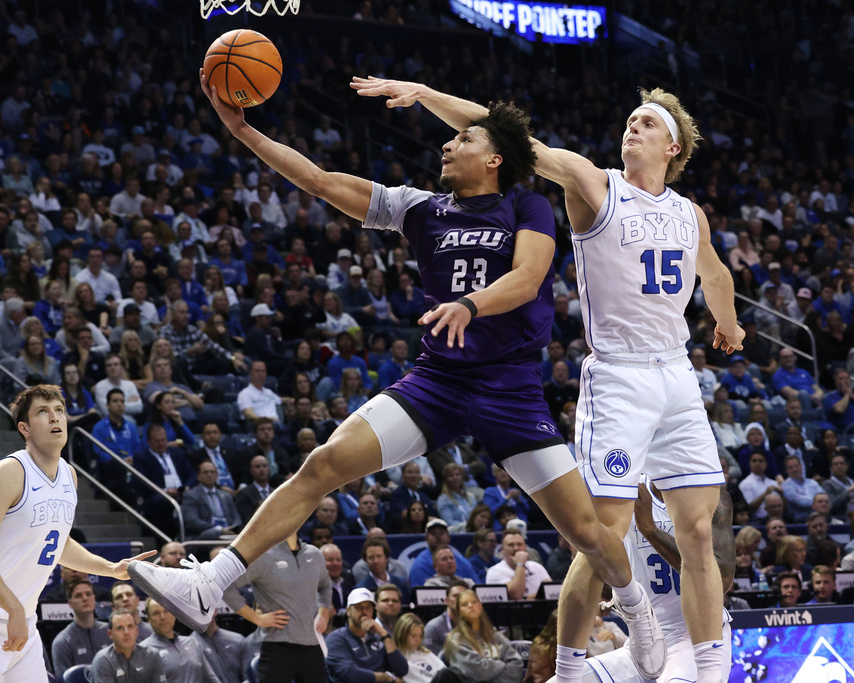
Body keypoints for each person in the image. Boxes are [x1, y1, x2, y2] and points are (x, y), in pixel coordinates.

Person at [133, 70, 662, 683]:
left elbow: (527, 277)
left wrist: (469, 305)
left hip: (509, 390)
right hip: (436, 383)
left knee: (590, 534)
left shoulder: (528, 203)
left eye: (461, 140)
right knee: (321, 464)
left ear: (493, 157)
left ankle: (636, 611)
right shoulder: (421, 209)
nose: (446, 145)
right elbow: (318, 180)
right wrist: (241, 127)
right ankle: (211, 581)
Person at [353, 76, 739, 683]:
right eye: (629, 121)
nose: (630, 128)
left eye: (645, 124)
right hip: (618, 377)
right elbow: (509, 136)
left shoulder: (689, 214)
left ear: (672, 148)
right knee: (601, 534)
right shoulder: (595, 184)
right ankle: (566, 670)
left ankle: (714, 670)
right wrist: (429, 96)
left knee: (696, 530)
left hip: (677, 374)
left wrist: (730, 325)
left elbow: (714, 275)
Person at [0, 385, 154, 682]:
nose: (54, 418)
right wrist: (13, 606)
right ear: (24, 428)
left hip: (23, 620)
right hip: (11, 610)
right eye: (42, 412)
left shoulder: (70, 476)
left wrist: (109, 568)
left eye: (59, 410)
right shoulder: (11, 470)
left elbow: (60, 542)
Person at [581, 478, 735, 683]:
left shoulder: (710, 494)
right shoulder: (623, 492)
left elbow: (723, 578)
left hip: (697, 637)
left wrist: (651, 530)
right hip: (644, 640)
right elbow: (608, 587)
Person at [220, 530, 332, 682]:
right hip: (278, 647)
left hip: (313, 645)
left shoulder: (314, 554)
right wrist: (256, 618)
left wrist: (324, 610)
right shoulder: (262, 556)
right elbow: (226, 586)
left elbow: (325, 584)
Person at [324, 587, 409, 683]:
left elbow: (402, 669)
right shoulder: (336, 638)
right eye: (359, 607)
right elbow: (351, 674)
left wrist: (384, 634)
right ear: (348, 611)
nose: (364, 612)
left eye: (368, 608)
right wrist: (387, 677)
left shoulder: (378, 636)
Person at [444, 588, 524, 683]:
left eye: (474, 602)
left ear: (480, 606)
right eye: (464, 604)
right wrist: (502, 664)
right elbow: (478, 671)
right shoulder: (456, 639)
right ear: (459, 611)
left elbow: (516, 663)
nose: (470, 606)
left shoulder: (495, 635)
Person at [140, 599, 220, 682]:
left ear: (174, 614)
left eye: (166, 611)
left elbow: (211, 679)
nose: (162, 617)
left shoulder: (192, 643)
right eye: (156, 613)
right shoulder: (143, 650)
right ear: (148, 619)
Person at [50, 578, 111, 678]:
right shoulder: (63, 641)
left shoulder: (110, 632)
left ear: (94, 598)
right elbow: (63, 679)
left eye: (88, 594)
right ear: (70, 603)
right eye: (79, 595)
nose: (85, 598)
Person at [90, 609, 166, 683]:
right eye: (120, 628)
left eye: (130, 626)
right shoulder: (103, 660)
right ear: (110, 634)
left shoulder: (151, 655)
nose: (126, 632)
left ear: (137, 631)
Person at [182, 461, 243, 540]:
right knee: (213, 533)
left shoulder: (226, 495)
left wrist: (233, 528)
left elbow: (237, 519)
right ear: (198, 476)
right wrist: (219, 529)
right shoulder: (190, 495)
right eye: (205, 472)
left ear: (217, 475)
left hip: (228, 531)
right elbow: (192, 521)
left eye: (212, 472)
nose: (209, 475)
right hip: (204, 534)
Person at [485, 528, 551, 600]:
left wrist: (532, 597)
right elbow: (516, 595)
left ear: (525, 547)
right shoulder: (494, 571)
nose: (516, 548)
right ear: (502, 549)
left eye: (519, 544)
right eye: (511, 545)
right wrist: (520, 564)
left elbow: (552, 593)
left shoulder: (537, 567)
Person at [393, 612, 447, 683]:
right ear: (402, 635)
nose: (417, 640)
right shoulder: (396, 656)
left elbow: (444, 671)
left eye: (420, 636)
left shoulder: (425, 652)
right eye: (413, 636)